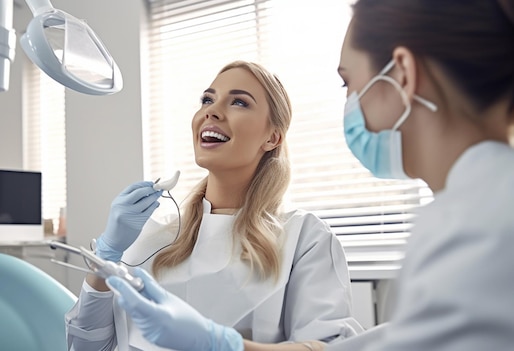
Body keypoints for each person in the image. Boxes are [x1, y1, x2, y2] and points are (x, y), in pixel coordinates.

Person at [65, 60, 364, 351]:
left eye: (239, 103)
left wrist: (222, 346)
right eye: (207, 99)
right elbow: (86, 346)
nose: (212, 112)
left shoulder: (304, 238)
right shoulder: (148, 235)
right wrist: (106, 257)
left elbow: (330, 345)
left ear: (272, 137)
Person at [326, 0, 514, 350]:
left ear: (402, 73)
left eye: (347, 84)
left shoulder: (466, 227)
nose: (351, 103)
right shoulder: (490, 193)